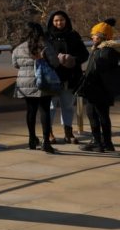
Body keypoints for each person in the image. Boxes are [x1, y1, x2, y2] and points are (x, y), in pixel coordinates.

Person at [12, 22, 58, 154]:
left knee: (30, 111)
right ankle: (46, 142)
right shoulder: (45, 45)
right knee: (45, 111)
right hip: (43, 81)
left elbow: (15, 64)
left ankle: (32, 139)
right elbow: (55, 62)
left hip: (25, 82)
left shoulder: (18, 47)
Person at [45, 11, 89, 144]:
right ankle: (49, 132)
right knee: (51, 105)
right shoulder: (47, 36)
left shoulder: (73, 35)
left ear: (66, 21)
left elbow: (84, 54)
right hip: (52, 77)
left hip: (70, 77)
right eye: (56, 20)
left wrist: (73, 59)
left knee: (68, 105)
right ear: (51, 22)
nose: (59, 23)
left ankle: (68, 132)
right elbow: (40, 55)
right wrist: (55, 59)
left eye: (62, 20)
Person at [79, 19, 119, 152]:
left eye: (95, 35)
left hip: (98, 89)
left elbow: (100, 71)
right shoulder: (100, 50)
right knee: (99, 114)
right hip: (99, 89)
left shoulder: (105, 51)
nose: (92, 37)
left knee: (96, 114)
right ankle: (105, 142)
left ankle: (99, 142)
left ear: (102, 36)